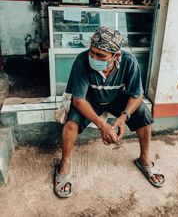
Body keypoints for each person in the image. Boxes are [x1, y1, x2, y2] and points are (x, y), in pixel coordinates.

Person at [54, 26, 165, 198]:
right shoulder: (82, 61)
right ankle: (65, 163)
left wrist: (123, 116)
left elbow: (137, 94)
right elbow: (79, 100)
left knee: (143, 112)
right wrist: (103, 126)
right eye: (92, 52)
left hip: (116, 99)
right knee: (71, 124)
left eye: (100, 55)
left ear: (116, 56)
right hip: (90, 100)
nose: (93, 57)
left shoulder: (129, 61)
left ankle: (144, 158)